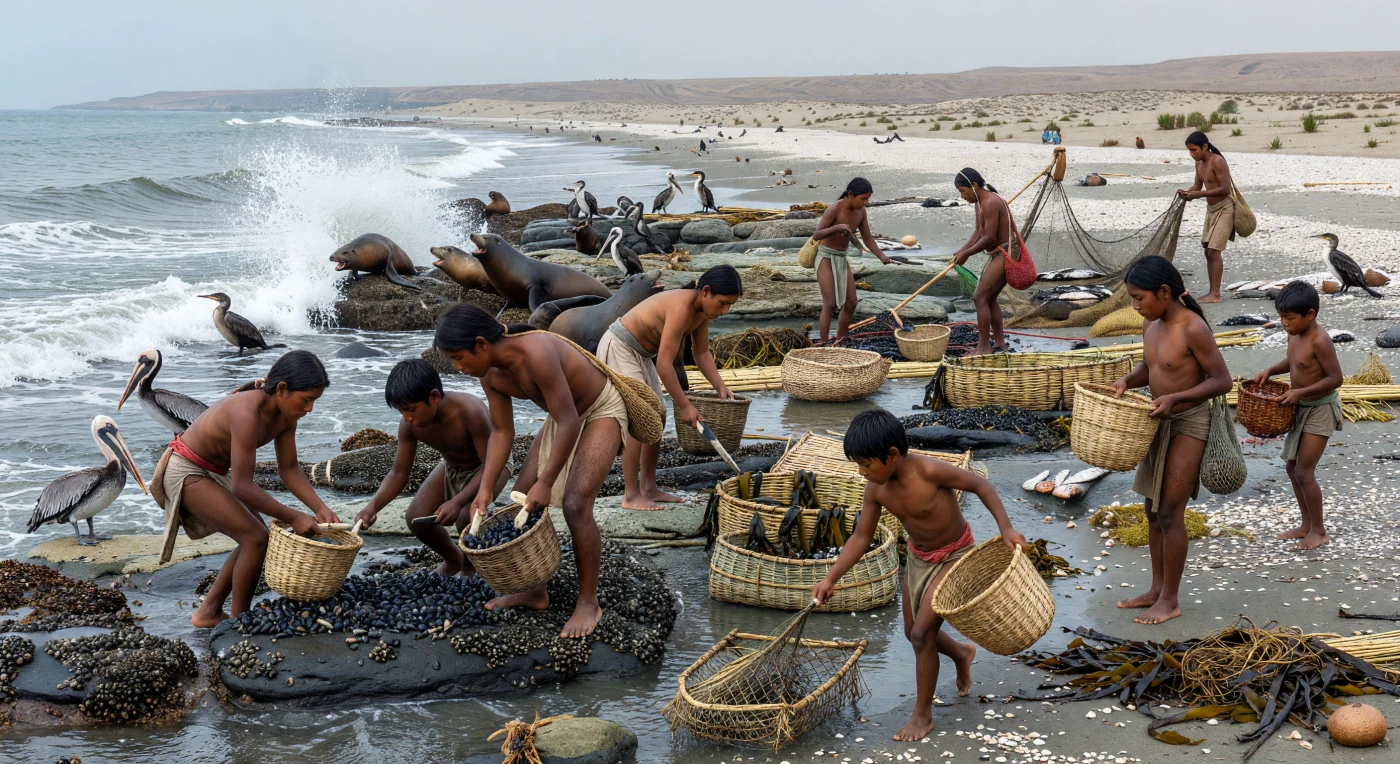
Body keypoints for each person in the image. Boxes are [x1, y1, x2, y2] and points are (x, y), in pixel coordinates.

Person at [812, 408, 1027, 742]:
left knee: (921, 635)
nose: (862, 472)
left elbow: (980, 485)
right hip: (918, 559)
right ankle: (961, 653)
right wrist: (831, 577)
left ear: (893, 455)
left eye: (866, 465)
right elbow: (860, 537)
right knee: (913, 631)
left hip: (956, 555)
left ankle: (922, 715)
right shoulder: (877, 489)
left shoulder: (928, 471)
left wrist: (1006, 529)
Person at [434, 303, 626, 638]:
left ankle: (588, 602)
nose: (458, 367)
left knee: (575, 504)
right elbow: (501, 432)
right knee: (519, 495)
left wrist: (547, 482)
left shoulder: (536, 352)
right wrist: (485, 488)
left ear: (480, 344)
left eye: (459, 357)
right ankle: (536, 592)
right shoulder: (489, 374)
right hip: (562, 415)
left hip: (599, 408)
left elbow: (568, 421)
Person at [151, 350, 339, 627]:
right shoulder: (247, 414)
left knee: (255, 536)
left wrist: (320, 507)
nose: (309, 408)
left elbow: (289, 469)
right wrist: (294, 517)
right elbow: (242, 486)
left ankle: (208, 612)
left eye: (314, 401)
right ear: (283, 389)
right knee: (255, 538)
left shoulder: (287, 415)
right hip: (186, 469)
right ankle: (239, 623)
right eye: (307, 399)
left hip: (213, 471)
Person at [1110, 256, 1233, 625]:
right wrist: (1127, 382)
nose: (1135, 306)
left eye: (1139, 298)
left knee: (1169, 512)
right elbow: (1152, 366)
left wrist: (1177, 399)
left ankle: (1170, 600)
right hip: (1157, 421)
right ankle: (1155, 589)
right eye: (1132, 299)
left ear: (1165, 292)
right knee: (1151, 510)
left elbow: (1222, 381)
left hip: (1190, 422)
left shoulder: (1193, 327)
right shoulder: (1152, 323)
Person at [598, 265, 742, 510]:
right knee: (640, 418)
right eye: (723, 303)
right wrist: (685, 406)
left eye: (730, 305)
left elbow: (701, 352)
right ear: (705, 291)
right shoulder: (680, 308)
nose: (725, 310)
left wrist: (721, 386)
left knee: (658, 418)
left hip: (641, 354)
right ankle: (630, 495)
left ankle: (649, 488)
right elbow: (665, 365)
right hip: (619, 346)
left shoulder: (702, 313)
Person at [354, 359, 512, 574]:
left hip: (492, 465)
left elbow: (491, 463)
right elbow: (399, 473)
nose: (408, 417)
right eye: (401, 411)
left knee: (466, 516)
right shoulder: (409, 425)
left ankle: (470, 568)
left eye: (411, 410)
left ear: (434, 397)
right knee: (416, 519)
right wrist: (372, 507)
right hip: (452, 466)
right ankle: (452, 558)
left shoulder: (469, 411)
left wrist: (457, 502)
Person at [1252, 281, 1342, 551]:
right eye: (1281, 317)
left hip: (1321, 408)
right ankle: (1306, 524)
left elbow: (1335, 378)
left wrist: (1300, 394)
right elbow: (1294, 362)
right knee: (1293, 468)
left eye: (1289, 318)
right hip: (1301, 407)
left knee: (1304, 471)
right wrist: (1270, 370)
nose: (1284, 323)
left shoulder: (1320, 340)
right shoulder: (1295, 335)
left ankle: (1319, 531)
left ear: (1310, 315)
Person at [811, 178, 898, 342]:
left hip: (841, 258)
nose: (865, 203)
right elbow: (817, 234)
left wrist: (881, 256)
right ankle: (823, 344)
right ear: (850, 195)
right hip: (825, 256)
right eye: (863, 199)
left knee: (851, 302)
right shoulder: (835, 208)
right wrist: (837, 227)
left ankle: (840, 340)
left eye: (867, 199)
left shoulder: (861, 212)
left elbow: (867, 238)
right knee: (829, 303)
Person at [951, 168, 1018, 355]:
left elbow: (989, 238)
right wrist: (962, 250)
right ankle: (999, 344)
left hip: (1006, 253)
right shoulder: (979, 203)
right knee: (990, 298)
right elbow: (979, 232)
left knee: (979, 298)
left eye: (962, 191)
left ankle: (984, 347)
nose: (962, 196)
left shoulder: (991, 202)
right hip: (996, 254)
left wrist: (967, 254)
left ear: (973, 186)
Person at [1177, 130, 1233, 303]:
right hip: (1211, 210)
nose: (1192, 154)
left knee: (1215, 251)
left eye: (1194, 150)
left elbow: (1225, 188)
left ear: (1205, 146)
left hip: (1225, 208)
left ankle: (1215, 294)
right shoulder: (1199, 164)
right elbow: (1197, 185)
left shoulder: (1217, 161)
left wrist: (1199, 195)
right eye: (1189, 151)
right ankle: (1212, 291)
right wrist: (1187, 192)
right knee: (1208, 252)